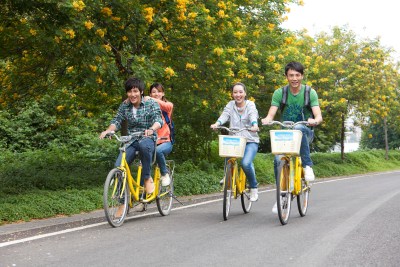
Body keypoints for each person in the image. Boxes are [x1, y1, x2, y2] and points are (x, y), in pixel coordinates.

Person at [261, 61, 323, 213]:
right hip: (286, 136)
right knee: (277, 160)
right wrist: (267, 119)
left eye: (297, 75)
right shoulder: (280, 93)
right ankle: (282, 195)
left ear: (302, 76)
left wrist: (314, 120)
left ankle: (307, 166)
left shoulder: (310, 92)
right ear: (286, 76)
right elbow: (271, 113)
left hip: (305, 134)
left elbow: (318, 115)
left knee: (299, 127)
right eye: (291, 75)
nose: (294, 78)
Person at [99, 77, 163, 198]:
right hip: (132, 140)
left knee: (144, 146)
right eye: (129, 92)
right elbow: (117, 121)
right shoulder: (125, 106)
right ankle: (122, 203)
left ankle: (147, 178)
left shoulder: (151, 103)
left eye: (135, 91)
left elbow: (158, 120)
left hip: (147, 138)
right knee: (119, 166)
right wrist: (108, 130)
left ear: (141, 91)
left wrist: (152, 129)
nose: (132, 94)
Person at [210, 82, 260, 202]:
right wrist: (217, 123)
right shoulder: (230, 105)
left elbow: (253, 116)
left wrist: (254, 125)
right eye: (235, 92)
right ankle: (227, 176)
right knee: (227, 153)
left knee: (246, 163)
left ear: (245, 93)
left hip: (250, 140)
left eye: (240, 92)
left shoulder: (250, 105)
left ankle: (253, 187)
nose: (238, 95)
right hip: (235, 140)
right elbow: (225, 115)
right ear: (232, 94)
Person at [144, 83, 174, 187]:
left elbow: (166, 106)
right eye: (153, 92)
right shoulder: (147, 107)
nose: (156, 94)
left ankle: (164, 174)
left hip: (166, 141)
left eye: (159, 91)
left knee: (159, 151)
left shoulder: (168, 105)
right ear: (150, 94)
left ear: (163, 93)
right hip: (151, 141)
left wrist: (150, 99)